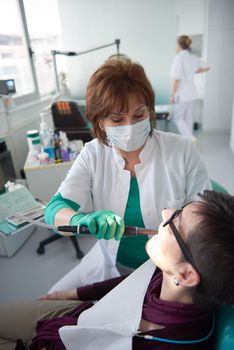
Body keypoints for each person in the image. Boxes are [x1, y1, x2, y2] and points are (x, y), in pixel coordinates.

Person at [44, 58, 210, 293]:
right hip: (110, 267)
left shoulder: (182, 151)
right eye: (117, 119)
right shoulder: (93, 154)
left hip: (167, 275)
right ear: (100, 121)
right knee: (49, 301)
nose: (130, 125)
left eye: (139, 114)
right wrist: (80, 221)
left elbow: (204, 218)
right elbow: (54, 210)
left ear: (149, 110)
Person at [1, 190, 234, 350]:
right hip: (84, 314)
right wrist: (69, 294)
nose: (165, 211)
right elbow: (129, 284)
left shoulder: (161, 341)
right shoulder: (171, 275)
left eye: (175, 220)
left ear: (185, 274)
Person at [170, 35, 210, 139]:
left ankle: (190, 138)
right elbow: (207, 67)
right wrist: (195, 71)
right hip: (192, 92)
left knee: (178, 118)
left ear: (179, 45)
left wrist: (173, 94)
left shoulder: (178, 58)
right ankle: (190, 140)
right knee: (188, 116)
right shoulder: (194, 57)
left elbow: (176, 79)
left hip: (182, 93)